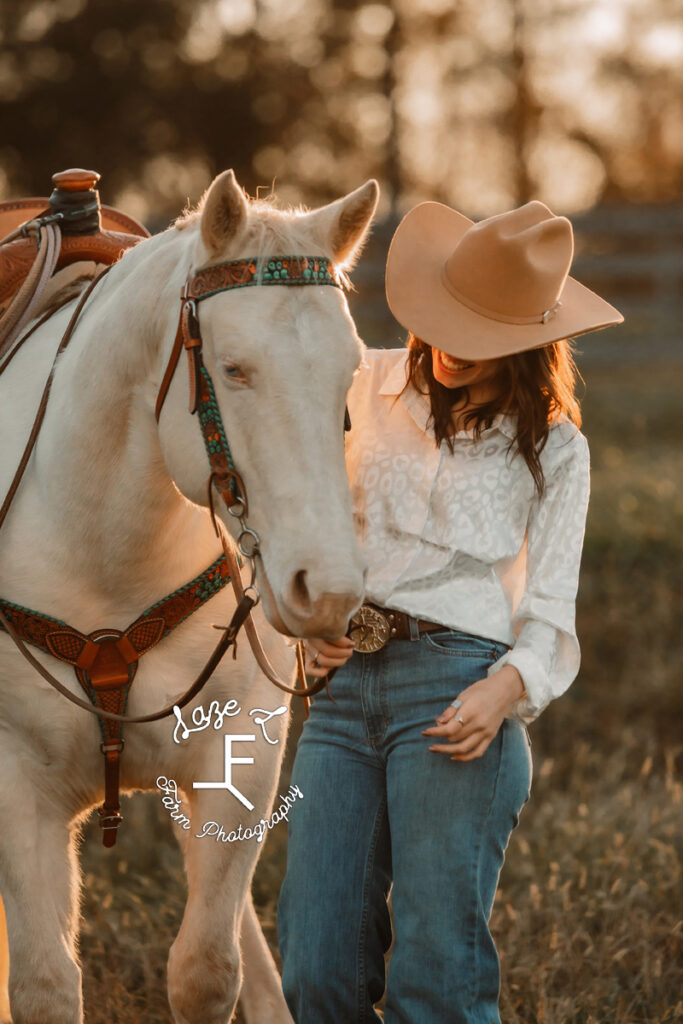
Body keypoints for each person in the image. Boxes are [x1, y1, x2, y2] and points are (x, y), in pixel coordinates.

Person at [276, 199, 623, 1024]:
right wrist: (297, 626)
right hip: (341, 690)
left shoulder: (556, 445)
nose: (453, 346)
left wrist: (505, 690)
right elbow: (290, 513)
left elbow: (550, 610)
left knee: (435, 979)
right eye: (444, 320)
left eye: (483, 332)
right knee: (314, 967)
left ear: (528, 340)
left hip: (456, 689)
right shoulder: (361, 383)